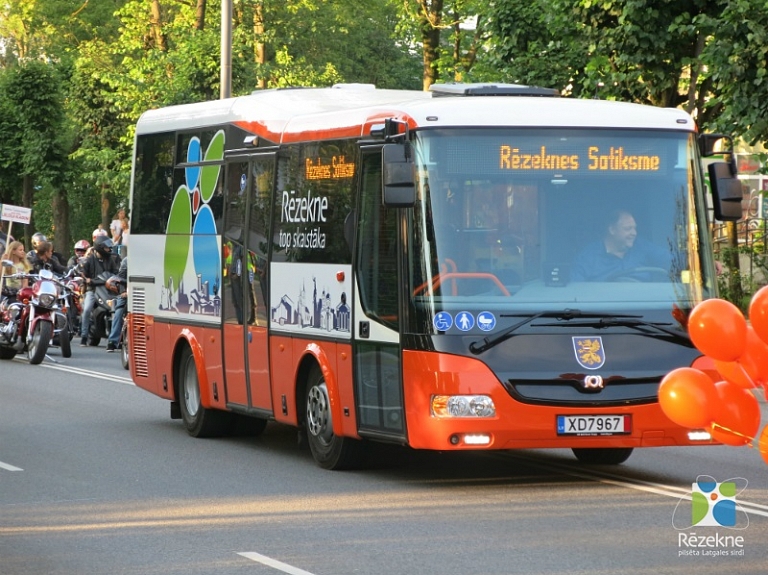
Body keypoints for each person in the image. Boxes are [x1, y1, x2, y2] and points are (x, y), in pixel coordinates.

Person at [571, 209, 671, 282]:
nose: (634, 233)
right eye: (628, 228)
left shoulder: (642, 246)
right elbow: (576, 292)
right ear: (612, 230)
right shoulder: (587, 257)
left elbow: (674, 261)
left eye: (634, 228)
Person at [79, 236, 121, 347]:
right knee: (87, 309)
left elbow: (115, 272)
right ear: (100, 247)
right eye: (107, 247)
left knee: (119, 307)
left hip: (107, 289)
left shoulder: (110, 260)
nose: (109, 249)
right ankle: (84, 336)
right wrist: (87, 279)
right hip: (92, 289)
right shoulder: (90, 260)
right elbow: (83, 272)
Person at [106, 256, 128, 352]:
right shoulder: (127, 261)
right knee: (119, 312)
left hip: (146, 293)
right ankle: (112, 341)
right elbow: (120, 277)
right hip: (128, 292)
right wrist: (123, 292)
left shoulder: (151, 259)